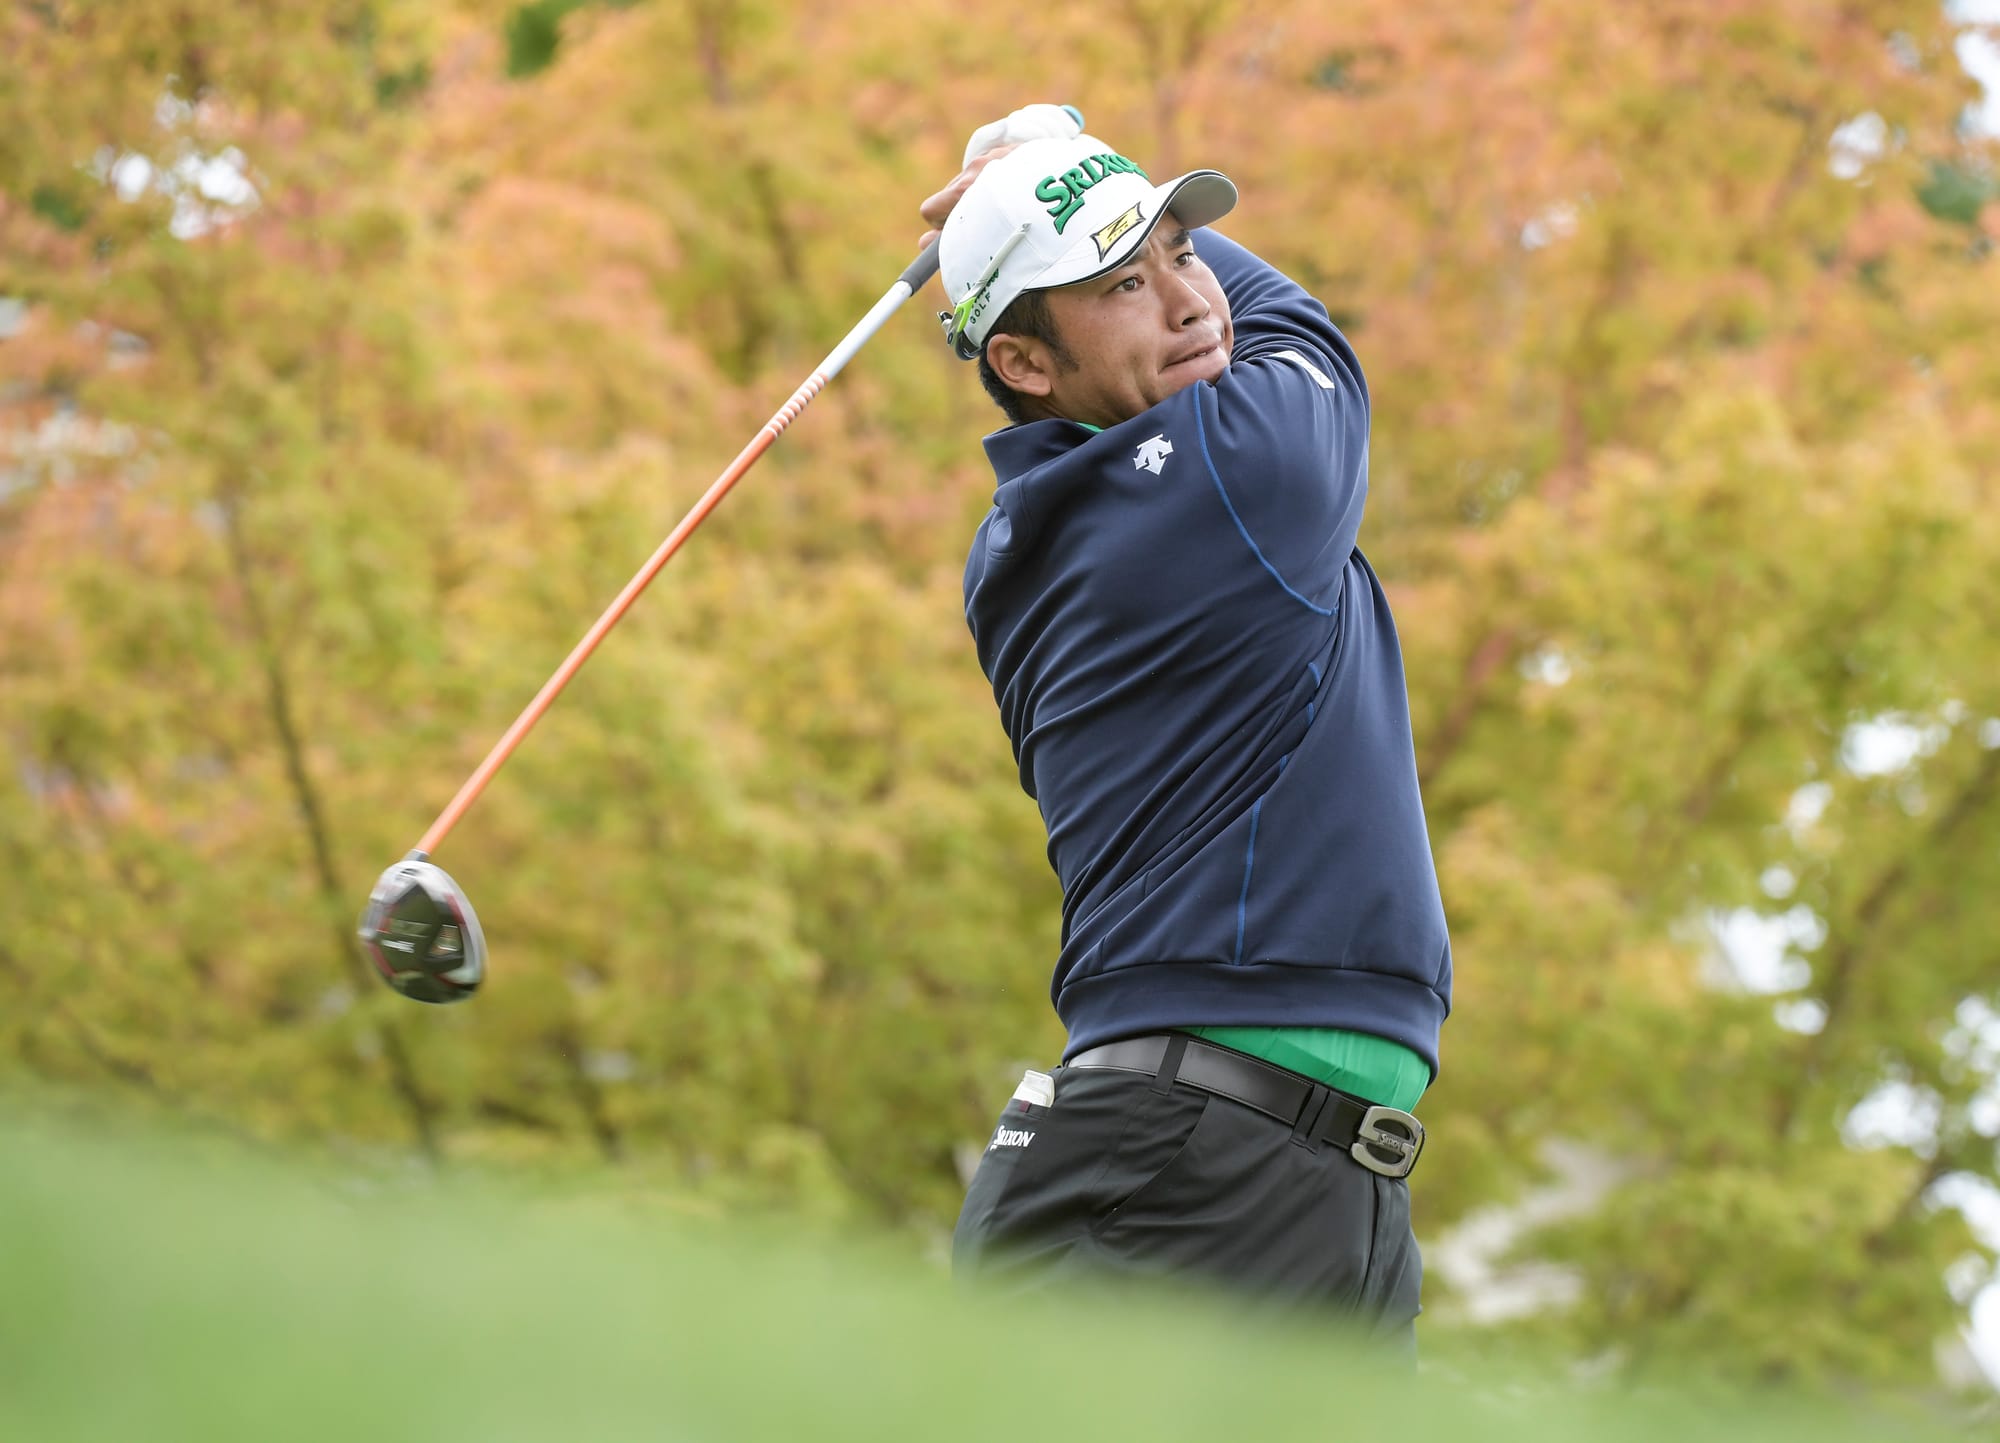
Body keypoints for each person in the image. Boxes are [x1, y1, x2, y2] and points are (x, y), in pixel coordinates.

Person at [920, 106, 1453, 1346]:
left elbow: (1226, 322)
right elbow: (1298, 331)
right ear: (1024, 366)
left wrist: (1062, 186)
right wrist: (1066, 145)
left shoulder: (1076, 512)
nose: (1188, 302)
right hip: (1185, 1167)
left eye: (1181, 252)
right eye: (1120, 283)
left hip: (1308, 1180)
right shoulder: (1228, 484)